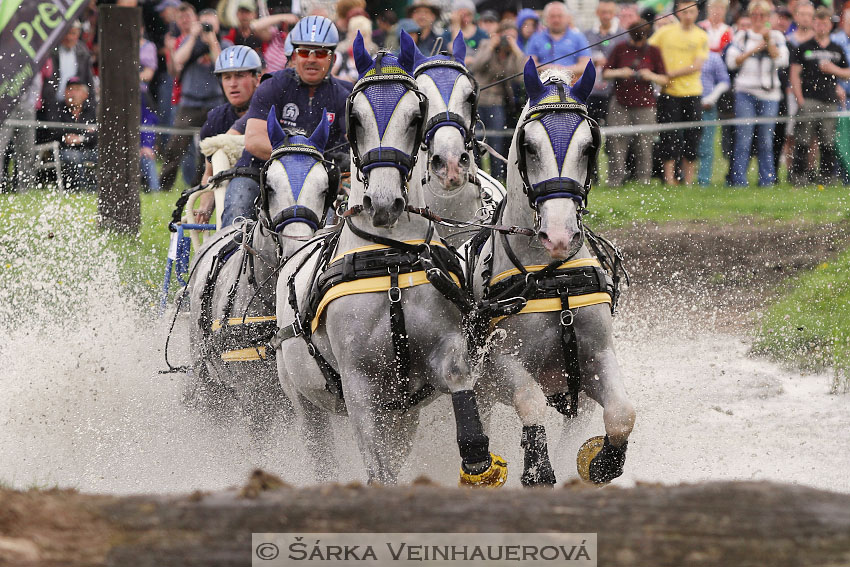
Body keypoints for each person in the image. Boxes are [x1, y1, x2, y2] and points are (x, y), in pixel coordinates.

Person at [223, 15, 352, 227]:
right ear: (294, 55)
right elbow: (254, 140)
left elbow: (356, 144)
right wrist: (303, 157)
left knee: (332, 224)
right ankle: (229, 258)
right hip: (259, 173)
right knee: (238, 204)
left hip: (318, 180)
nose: (311, 59)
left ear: (333, 59)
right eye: (303, 52)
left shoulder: (346, 95)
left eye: (320, 53)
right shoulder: (271, 86)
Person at [159, 8, 232, 192]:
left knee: (209, 149)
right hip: (189, 102)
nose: (206, 28)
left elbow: (222, 67)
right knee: (176, 146)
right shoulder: (188, 41)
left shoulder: (224, 44)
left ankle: (200, 186)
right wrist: (192, 37)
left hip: (215, 102)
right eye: (204, 24)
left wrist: (212, 41)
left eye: (210, 24)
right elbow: (178, 63)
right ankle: (164, 186)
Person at [193, 45, 263, 223]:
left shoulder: (271, 110)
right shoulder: (215, 119)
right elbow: (210, 170)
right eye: (227, 77)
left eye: (240, 76)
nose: (232, 84)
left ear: (257, 78)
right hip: (232, 189)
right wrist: (205, 204)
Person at [725, 0, 788, 187]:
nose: (758, 19)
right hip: (745, 92)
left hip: (769, 94)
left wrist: (768, 42)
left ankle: (767, 180)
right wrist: (754, 50)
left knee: (766, 140)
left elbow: (782, 61)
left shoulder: (776, 36)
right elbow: (732, 62)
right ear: (750, 17)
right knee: (743, 139)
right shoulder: (742, 36)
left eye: (762, 16)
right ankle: (738, 180)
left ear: (768, 18)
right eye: (754, 15)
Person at [649, 0, 709, 185]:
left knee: (692, 137)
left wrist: (669, 73)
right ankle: (669, 179)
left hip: (692, 92)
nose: (688, 15)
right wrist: (655, 72)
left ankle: (688, 181)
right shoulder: (664, 32)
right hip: (669, 93)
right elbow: (648, 51)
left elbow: (697, 65)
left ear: (697, 13)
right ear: (677, 12)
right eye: (684, 12)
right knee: (669, 137)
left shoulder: (701, 35)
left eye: (691, 12)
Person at [603, 20, 668, 186]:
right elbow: (605, 73)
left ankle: (643, 179)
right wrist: (620, 72)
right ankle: (615, 180)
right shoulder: (619, 48)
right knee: (616, 141)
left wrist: (650, 75)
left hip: (645, 104)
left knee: (644, 143)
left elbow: (665, 78)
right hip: (620, 101)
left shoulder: (653, 51)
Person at [790, 6, 850, 184]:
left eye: (825, 23)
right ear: (814, 24)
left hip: (830, 101)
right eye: (818, 22)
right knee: (803, 140)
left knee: (828, 142)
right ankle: (799, 176)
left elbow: (847, 72)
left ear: (830, 26)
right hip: (808, 100)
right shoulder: (804, 48)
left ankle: (826, 177)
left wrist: (835, 70)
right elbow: (794, 74)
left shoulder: (837, 48)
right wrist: (800, 99)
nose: (821, 26)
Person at [468, 21, 526, 180]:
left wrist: (516, 50)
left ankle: (497, 177)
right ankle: (477, 176)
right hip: (480, 101)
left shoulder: (513, 54)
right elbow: (476, 66)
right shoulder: (485, 44)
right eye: (505, 36)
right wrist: (491, 47)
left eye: (512, 37)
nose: (507, 40)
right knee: (475, 140)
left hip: (498, 103)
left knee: (497, 142)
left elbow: (522, 77)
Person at [51, 77, 98, 191]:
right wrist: (71, 136)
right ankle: (81, 190)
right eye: (69, 89)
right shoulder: (58, 109)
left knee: (107, 156)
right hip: (65, 149)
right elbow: (54, 131)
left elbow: (97, 135)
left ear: (85, 94)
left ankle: (100, 190)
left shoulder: (91, 110)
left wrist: (79, 138)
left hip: (88, 149)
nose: (72, 93)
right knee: (73, 157)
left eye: (76, 89)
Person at [583, 0, 623, 127]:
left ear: (615, 14)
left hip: (613, 93)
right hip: (590, 92)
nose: (606, 16)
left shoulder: (623, 35)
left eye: (610, 12)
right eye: (603, 12)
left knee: (612, 130)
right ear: (597, 13)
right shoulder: (586, 35)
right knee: (589, 128)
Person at [525, 1, 591, 75]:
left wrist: (563, 70)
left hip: (572, 83)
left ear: (567, 17)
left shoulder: (578, 37)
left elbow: (585, 65)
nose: (556, 20)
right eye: (552, 16)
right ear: (546, 18)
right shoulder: (536, 38)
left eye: (560, 16)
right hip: (543, 83)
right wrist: (549, 69)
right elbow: (529, 64)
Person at [696, 51, 730, 186]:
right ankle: (682, 178)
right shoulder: (680, 53)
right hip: (684, 103)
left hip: (707, 105)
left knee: (706, 145)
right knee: (684, 143)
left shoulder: (713, 57)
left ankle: (704, 181)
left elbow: (724, 81)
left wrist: (712, 98)